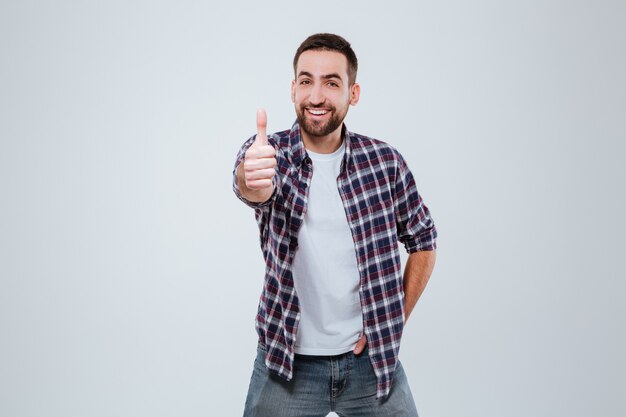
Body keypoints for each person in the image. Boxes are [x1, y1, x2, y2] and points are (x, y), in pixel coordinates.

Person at [233, 33, 437, 417]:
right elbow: (252, 187)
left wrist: (394, 318)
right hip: (286, 365)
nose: (316, 96)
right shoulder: (269, 156)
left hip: (370, 365)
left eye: (331, 83)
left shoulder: (384, 162)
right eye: (306, 81)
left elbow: (424, 239)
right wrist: (252, 178)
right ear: (293, 89)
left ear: (352, 93)